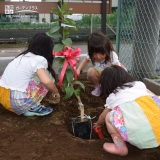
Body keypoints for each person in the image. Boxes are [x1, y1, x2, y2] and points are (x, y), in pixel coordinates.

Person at [93, 65, 160, 156]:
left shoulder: (112, 97)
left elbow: (102, 116)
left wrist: (98, 124)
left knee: (108, 117)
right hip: (157, 127)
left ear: (106, 84)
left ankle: (120, 147)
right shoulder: (139, 84)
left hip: (140, 135)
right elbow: (154, 97)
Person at [0, 33, 60, 116]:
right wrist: (55, 92)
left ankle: (25, 105)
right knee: (47, 77)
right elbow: (46, 82)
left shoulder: (21, 57)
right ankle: (32, 107)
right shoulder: (39, 59)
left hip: (3, 97)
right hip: (17, 103)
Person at [77, 31, 123, 97]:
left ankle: (112, 90)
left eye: (101, 53)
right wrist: (78, 69)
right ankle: (98, 88)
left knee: (112, 93)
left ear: (107, 49)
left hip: (113, 75)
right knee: (90, 72)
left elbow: (117, 71)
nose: (98, 57)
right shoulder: (92, 54)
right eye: (94, 54)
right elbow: (85, 60)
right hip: (101, 73)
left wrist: (106, 81)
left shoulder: (112, 54)